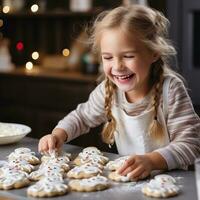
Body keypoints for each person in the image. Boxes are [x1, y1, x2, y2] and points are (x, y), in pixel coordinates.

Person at [38, 5, 200, 181]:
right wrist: (58, 134)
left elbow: (190, 144)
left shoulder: (171, 91)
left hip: (173, 184)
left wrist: (151, 161)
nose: (117, 66)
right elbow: (82, 117)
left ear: (154, 53)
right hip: (128, 182)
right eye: (108, 57)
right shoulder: (108, 91)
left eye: (128, 56)